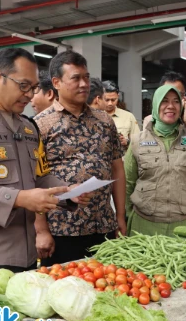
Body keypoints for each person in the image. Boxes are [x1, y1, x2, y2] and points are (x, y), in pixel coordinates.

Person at [0, 48, 89, 278]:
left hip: (27, 254)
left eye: (33, 88)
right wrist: (20, 198)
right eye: (23, 86)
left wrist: (66, 192)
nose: (30, 95)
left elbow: (39, 176)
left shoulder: (28, 127)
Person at [34, 50, 125, 265]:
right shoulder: (40, 124)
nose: (84, 84)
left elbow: (117, 169)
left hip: (103, 225)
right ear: (56, 82)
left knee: (106, 287)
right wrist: (41, 230)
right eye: (75, 78)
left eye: (86, 77)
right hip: (61, 230)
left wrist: (120, 216)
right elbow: (34, 178)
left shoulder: (104, 121)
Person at [125, 84, 186, 236]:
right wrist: (129, 215)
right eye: (164, 101)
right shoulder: (137, 141)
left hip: (185, 226)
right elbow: (128, 183)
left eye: (176, 101)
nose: (171, 106)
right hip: (144, 226)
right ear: (156, 104)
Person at [143, 71, 186, 159]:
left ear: (185, 97)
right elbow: (147, 153)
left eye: (178, 95)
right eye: (166, 96)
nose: (171, 105)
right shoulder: (150, 120)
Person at [102, 80, 140, 154]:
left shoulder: (128, 116)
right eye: (107, 100)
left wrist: (127, 142)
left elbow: (138, 141)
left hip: (123, 162)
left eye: (113, 100)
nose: (110, 103)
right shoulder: (93, 116)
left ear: (118, 97)